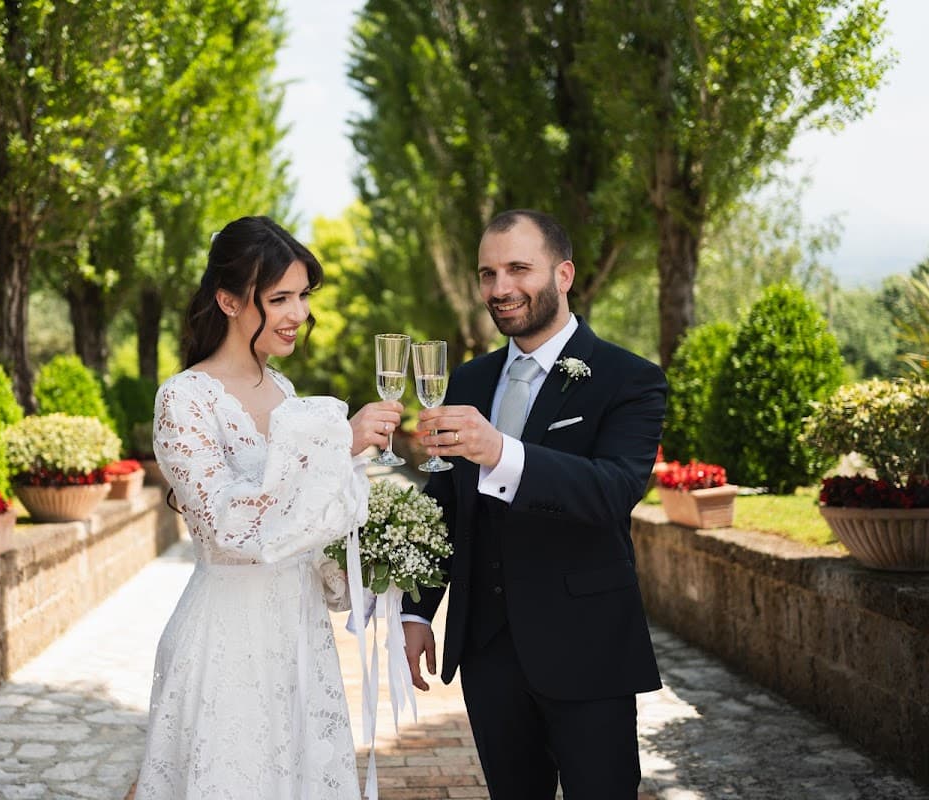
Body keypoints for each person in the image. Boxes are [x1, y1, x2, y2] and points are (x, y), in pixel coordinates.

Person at [401, 209, 666, 799]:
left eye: (518, 269)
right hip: (489, 654)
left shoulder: (629, 379)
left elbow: (612, 490)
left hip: (588, 649)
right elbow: (444, 505)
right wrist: (418, 612)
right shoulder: (469, 381)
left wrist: (499, 451)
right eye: (487, 273)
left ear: (563, 274)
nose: (500, 289)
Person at [135, 215, 402, 800]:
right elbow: (228, 522)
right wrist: (342, 443)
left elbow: (302, 518)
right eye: (279, 297)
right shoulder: (183, 398)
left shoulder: (283, 391)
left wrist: (365, 548)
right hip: (229, 633)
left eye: (303, 296)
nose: (297, 313)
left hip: (298, 631)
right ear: (229, 300)